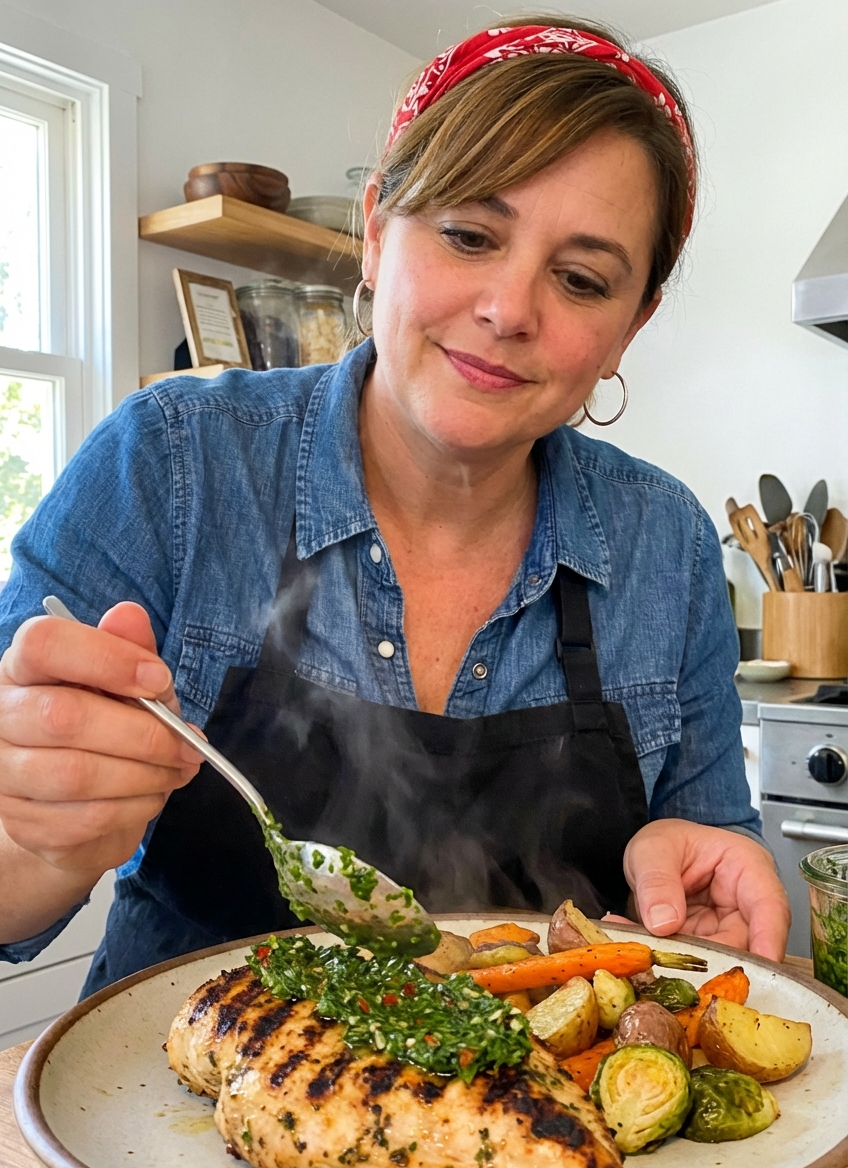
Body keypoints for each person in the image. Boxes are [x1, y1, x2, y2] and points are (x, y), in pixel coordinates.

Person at [0, 16, 790, 995]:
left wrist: (702, 869)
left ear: (632, 324)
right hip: (164, 1106)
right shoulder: (172, 461)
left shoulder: (663, 543)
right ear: (376, 230)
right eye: (468, 233)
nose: (508, 309)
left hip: (534, 1128)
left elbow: (711, 849)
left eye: (581, 279)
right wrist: (31, 841)